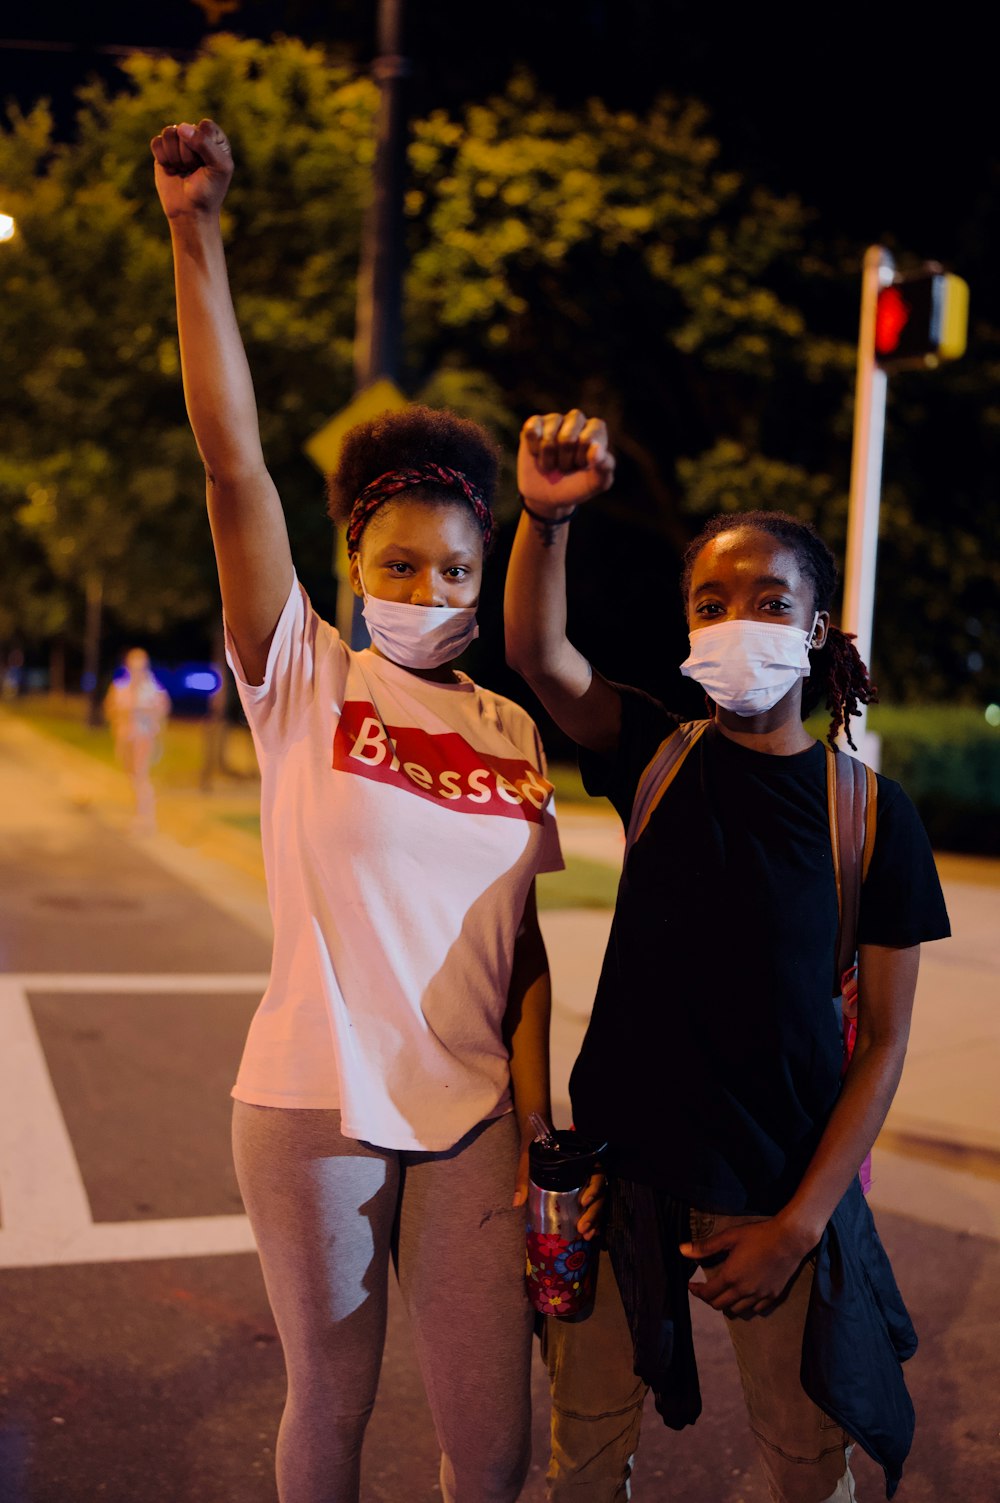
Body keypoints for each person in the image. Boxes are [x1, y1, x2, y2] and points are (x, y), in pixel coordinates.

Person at [151, 118, 580, 1503]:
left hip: (472, 1120)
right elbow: (233, 466)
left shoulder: (510, 727)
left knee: (491, 1447)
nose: (435, 589)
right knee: (326, 1416)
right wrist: (195, 228)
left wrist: (541, 1122)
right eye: (403, 562)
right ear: (351, 560)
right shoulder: (304, 673)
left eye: (459, 569)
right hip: (310, 1100)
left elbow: (523, 957)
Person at [504, 410, 951, 1503]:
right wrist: (546, 520)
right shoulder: (655, 753)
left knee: (806, 1460)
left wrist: (798, 1229)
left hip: (775, 1189)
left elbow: (884, 1042)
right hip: (614, 1180)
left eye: (767, 603)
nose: (736, 620)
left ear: (814, 626)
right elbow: (537, 657)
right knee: (584, 1450)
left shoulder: (873, 816)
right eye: (711, 604)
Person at [103, 647, 170, 833]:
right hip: (125, 736)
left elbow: (162, 711)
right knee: (132, 775)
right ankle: (140, 813)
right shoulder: (120, 687)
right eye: (134, 665)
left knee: (141, 775)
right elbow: (110, 709)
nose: (137, 670)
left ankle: (145, 818)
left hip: (143, 736)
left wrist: (145, 715)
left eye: (140, 665)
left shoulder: (152, 689)